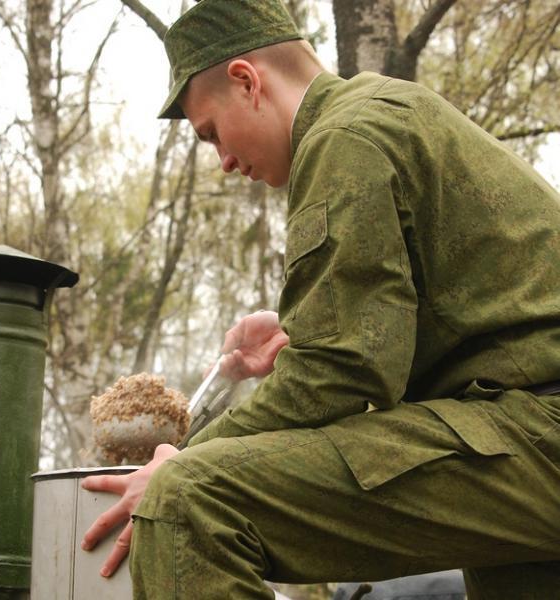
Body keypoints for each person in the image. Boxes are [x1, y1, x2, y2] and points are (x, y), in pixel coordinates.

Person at [80, 0, 560, 598]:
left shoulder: (344, 136)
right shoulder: (388, 111)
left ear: (246, 81)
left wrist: (177, 457)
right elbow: (445, 314)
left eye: (210, 134)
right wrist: (298, 326)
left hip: (532, 435)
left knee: (187, 500)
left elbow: (343, 370)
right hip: (521, 436)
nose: (224, 161)